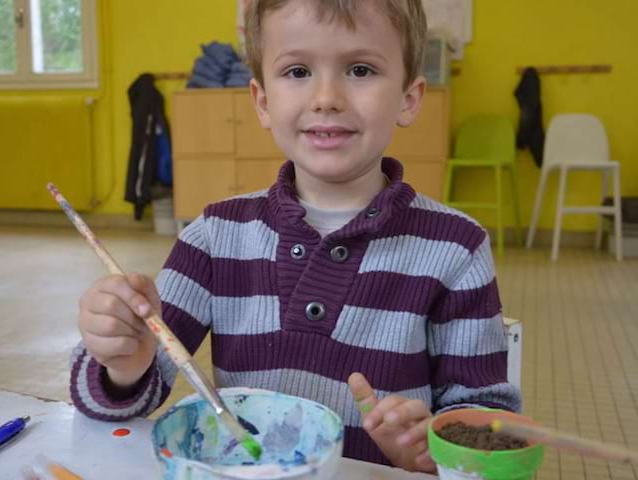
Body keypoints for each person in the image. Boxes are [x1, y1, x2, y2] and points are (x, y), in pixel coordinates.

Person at [70, 0, 520, 473]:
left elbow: (487, 421)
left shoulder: (457, 247)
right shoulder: (213, 235)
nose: (326, 97)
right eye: (298, 70)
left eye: (360, 69)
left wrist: (434, 449)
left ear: (409, 98)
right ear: (263, 101)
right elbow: (113, 406)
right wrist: (122, 363)